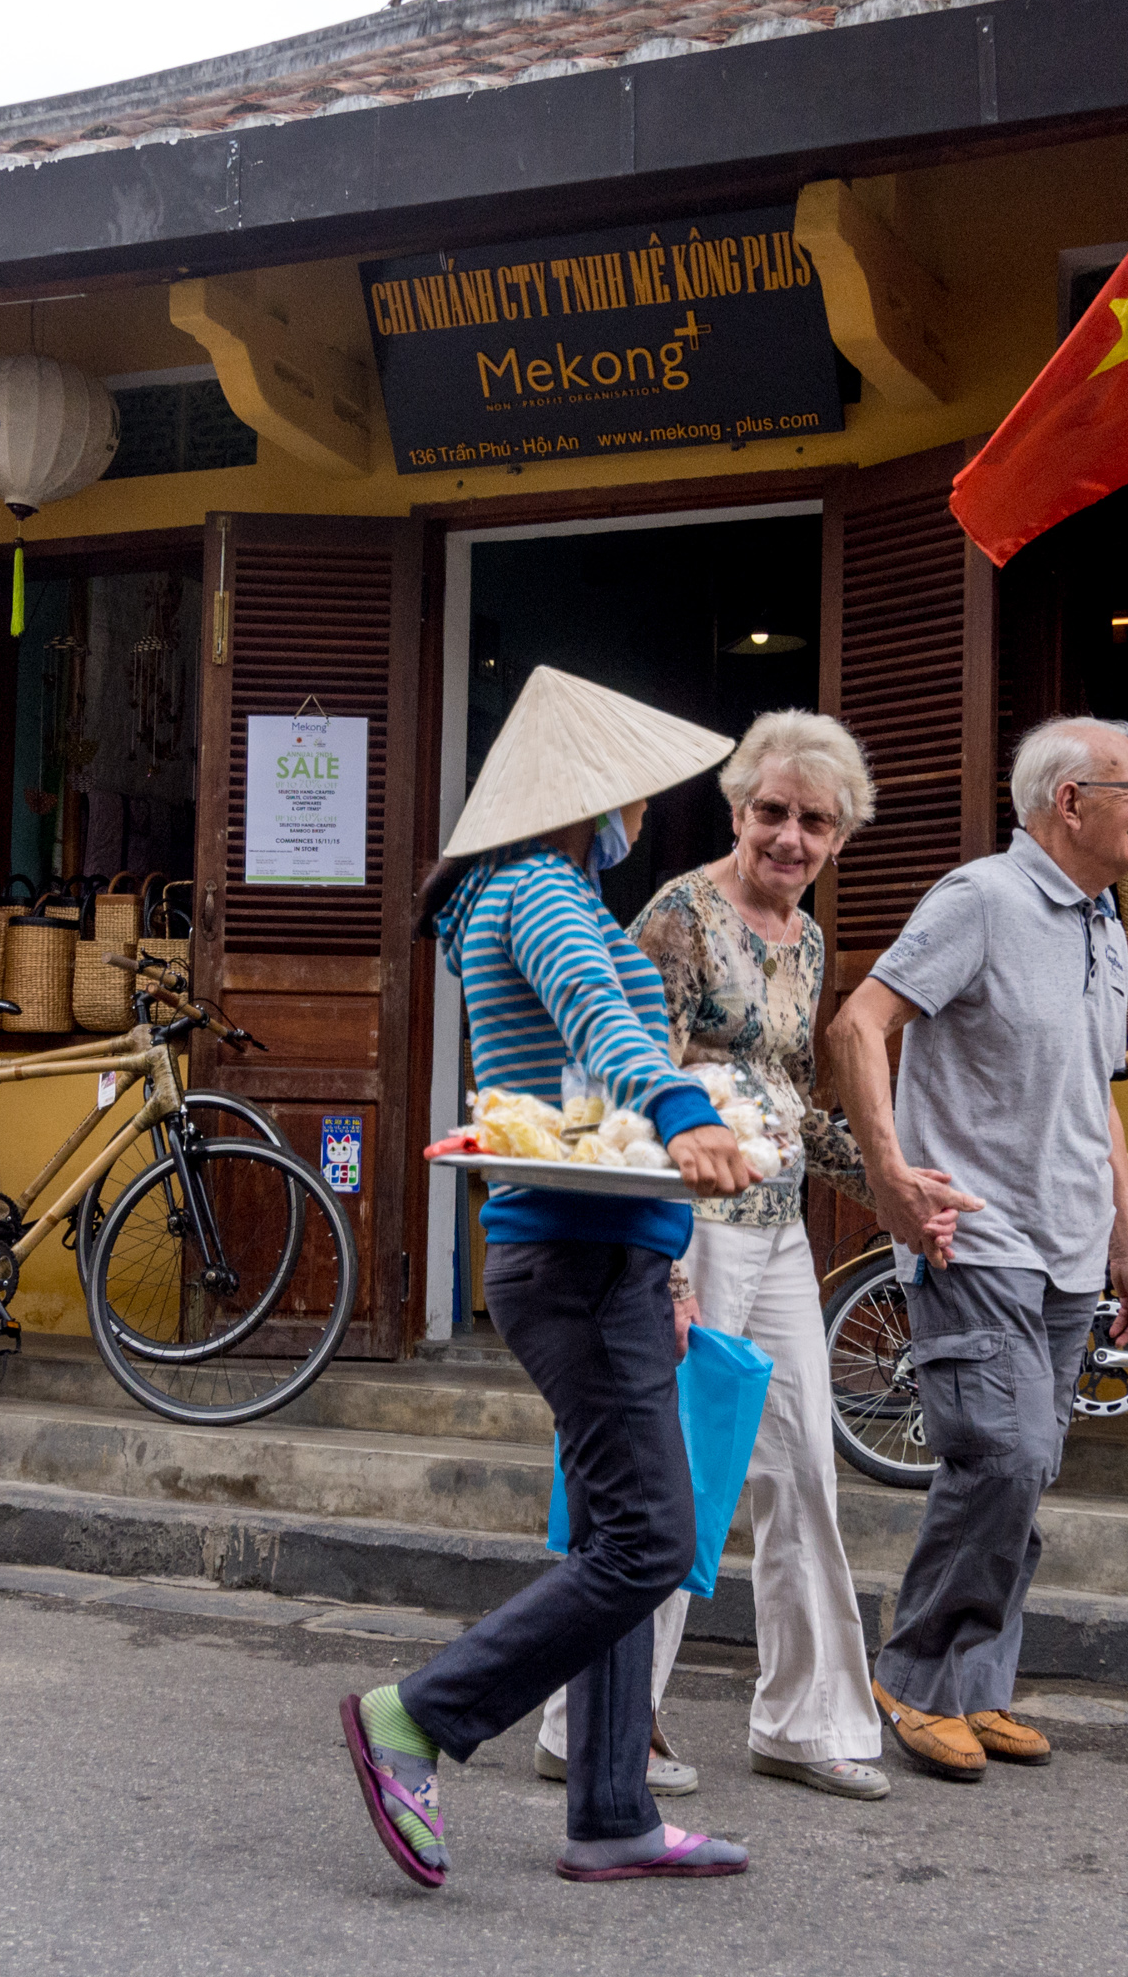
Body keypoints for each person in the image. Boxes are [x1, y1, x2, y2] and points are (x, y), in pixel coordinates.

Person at [339, 666, 756, 1891]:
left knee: (616, 1529)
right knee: (648, 1538)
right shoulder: (538, 889)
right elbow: (600, 1022)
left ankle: (613, 1809)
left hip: (604, 1251)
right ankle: (417, 1715)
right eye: (631, 793)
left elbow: (582, 1071)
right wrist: (682, 1106)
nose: (643, 814)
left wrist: (667, 1261)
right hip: (578, 1256)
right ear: (589, 795)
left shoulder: (514, 889)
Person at [534, 710, 921, 1805]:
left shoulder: (808, 942)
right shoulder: (677, 916)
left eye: (814, 820)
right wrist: (662, 1268)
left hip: (779, 1229)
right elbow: (630, 1087)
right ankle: (594, 1718)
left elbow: (792, 1105)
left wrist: (893, 1181)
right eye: (771, 812)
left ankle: (808, 1719)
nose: (789, 837)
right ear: (737, 810)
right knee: (678, 1480)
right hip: (688, 1229)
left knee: (804, 1475)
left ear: (841, 835)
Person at [823, 715, 1128, 1784]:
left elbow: (1095, 1104)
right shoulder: (980, 899)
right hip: (974, 1233)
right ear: (1071, 802)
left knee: (1030, 1469)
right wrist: (889, 1173)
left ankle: (976, 1683)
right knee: (1002, 1454)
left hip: (1070, 1244)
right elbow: (857, 1024)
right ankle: (917, 1674)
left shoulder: (1105, 925)